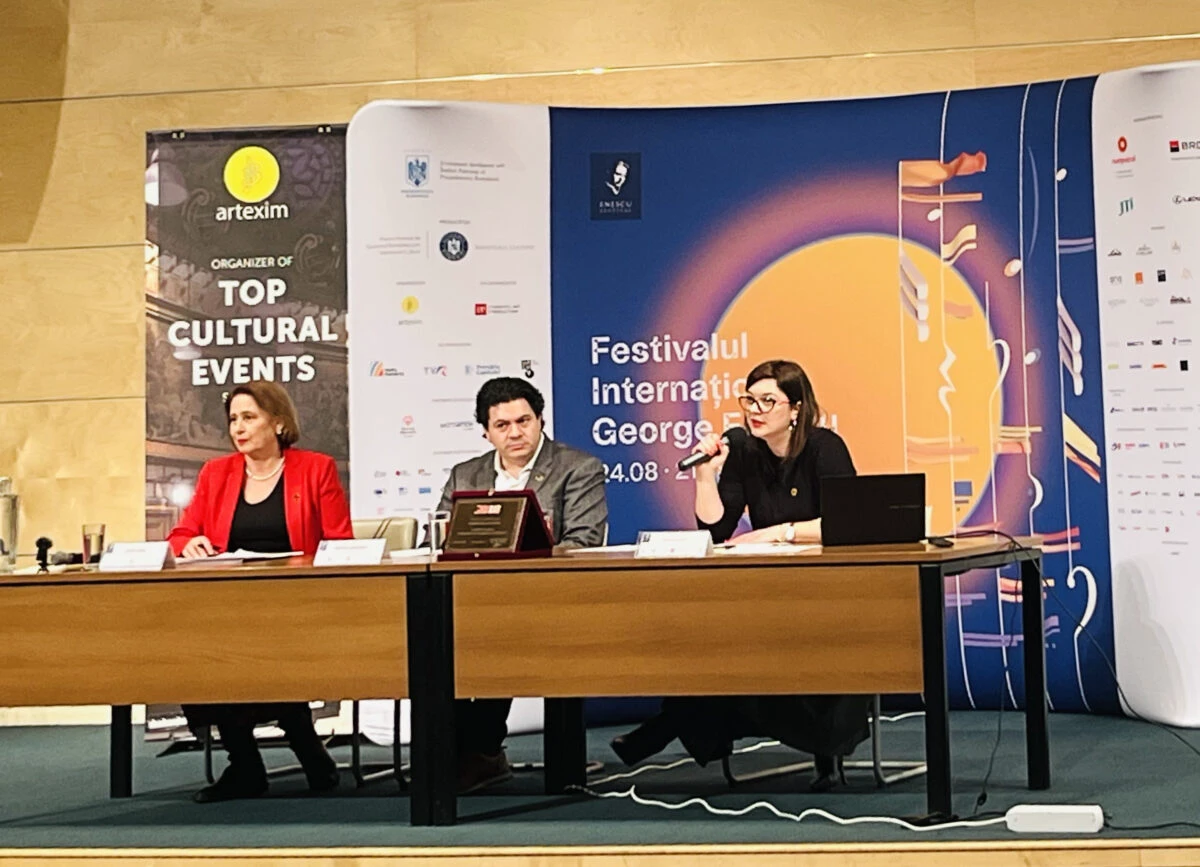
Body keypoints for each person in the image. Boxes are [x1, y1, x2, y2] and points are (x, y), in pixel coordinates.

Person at [609, 359, 871, 792]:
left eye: (768, 401)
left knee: (801, 640)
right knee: (715, 638)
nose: (755, 410)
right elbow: (716, 529)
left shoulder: (824, 447)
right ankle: (677, 720)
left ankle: (822, 749)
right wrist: (704, 475)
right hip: (768, 588)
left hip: (826, 589)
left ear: (796, 408)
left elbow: (848, 520)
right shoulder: (745, 450)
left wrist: (779, 532)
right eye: (749, 400)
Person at [167, 380, 354, 803]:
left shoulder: (316, 469)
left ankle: (286, 753)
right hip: (229, 605)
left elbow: (340, 543)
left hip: (299, 603)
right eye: (233, 418)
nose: (238, 427)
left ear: (279, 422)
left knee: (251, 648)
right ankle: (258, 761)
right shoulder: (216, 473)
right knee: (201, 650)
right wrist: (189, 543)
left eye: (249, 417)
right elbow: (181, 534)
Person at [437, 377, 608, 792]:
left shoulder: (577, 468)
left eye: (523, 421)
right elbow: (440, 538)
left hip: (549, 600)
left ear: (540, 420)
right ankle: (460, 753)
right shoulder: (466, 475)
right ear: (486, 431)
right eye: (502, 425)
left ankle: (479, 752)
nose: (515, 433)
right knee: (438, 637)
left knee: (498, 634)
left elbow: (583, 541)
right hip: (475, 599)